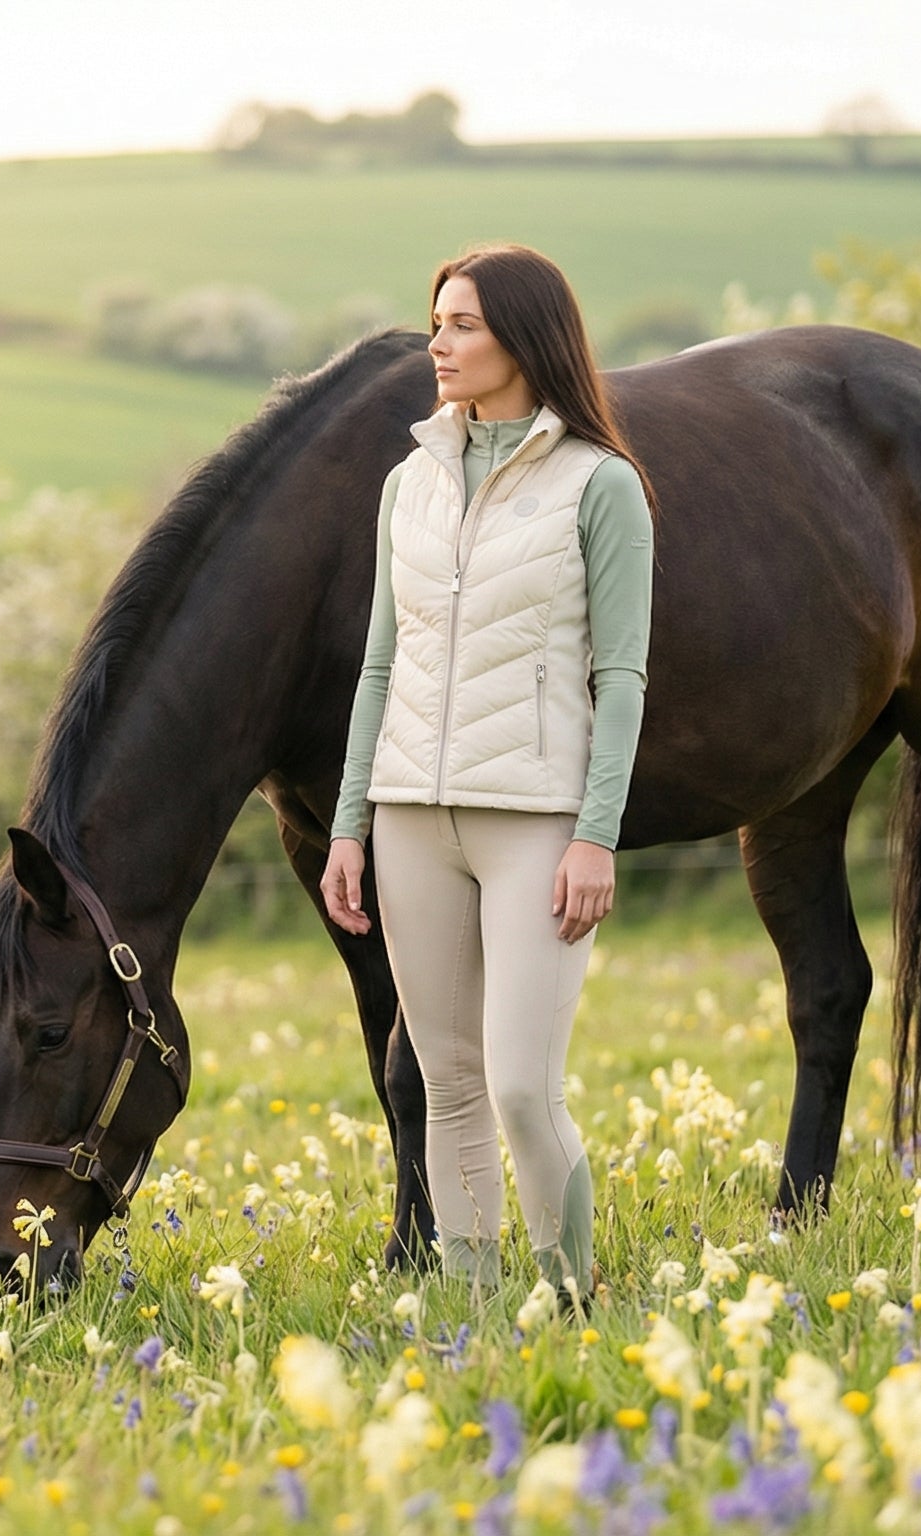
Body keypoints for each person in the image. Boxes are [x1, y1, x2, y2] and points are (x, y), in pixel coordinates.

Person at [318, 243, 656, 1313]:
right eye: (437, 322)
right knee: (448, 1084)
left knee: (518, 1086)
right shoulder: (406, 484)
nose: (439, 343)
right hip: (410, 815)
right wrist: (346, 826)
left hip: (535, 822)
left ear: (524, 336)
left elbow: (623, 676)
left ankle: (568, 1295)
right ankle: (468, 1313)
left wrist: (594, 834)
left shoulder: (599, 487)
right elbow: (382, 662)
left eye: (462, 324)